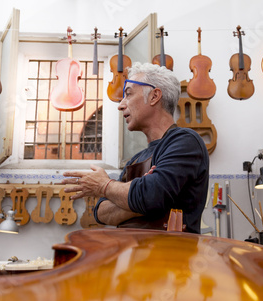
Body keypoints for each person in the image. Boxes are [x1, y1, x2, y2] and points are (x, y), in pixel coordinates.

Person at [62, 62, 209, 233]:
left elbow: (151, 196)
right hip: (132, 254)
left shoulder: (185, 142)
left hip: (172, 255)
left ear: (154, 96)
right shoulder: (137, 158)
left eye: (129, 94)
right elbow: (101, 212)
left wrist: (105, 187)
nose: (121, 105)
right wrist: (141, 197)